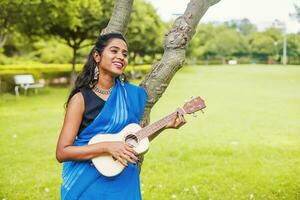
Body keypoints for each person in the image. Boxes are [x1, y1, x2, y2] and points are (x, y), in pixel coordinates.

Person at [56, 32, 186, 200]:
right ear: (97, 56)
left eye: (124, 54)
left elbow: (131, 140)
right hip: (87, 183)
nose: (121, 57)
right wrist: (106, 147)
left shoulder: (131, 95)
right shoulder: (80, 99)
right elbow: (62, 152)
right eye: (114, 51)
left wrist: (165, 126)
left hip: (123, 181)